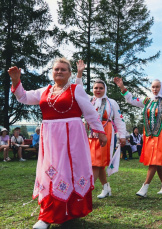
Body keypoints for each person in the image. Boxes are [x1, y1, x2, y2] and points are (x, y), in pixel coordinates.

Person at [8, 57, 107, 229]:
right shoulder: (44, 91)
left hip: (72, 140)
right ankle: (47, 216)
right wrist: (16, 81)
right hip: (51, 140)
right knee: (51, 172)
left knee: (69, 171)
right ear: (52, 72)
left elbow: (90, 112)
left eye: (63, 69)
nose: (59, 71)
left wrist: (100, 132)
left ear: (69, 73)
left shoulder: (76, 90)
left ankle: (70, 212)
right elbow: (23, 97)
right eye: (56, 69)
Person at [114, 77, 162, 197]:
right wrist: (122, 87)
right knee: (156, 160)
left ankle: (145, 187)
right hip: (149, 134)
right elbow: (132, 100)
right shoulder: (148, 101)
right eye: (153, 86)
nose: (155, 89)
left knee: (154, 160)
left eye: (157, 86)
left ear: (161, 87)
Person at [75, 61, 126, 199]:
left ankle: (86, 192)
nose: (98, 90)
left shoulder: (112, 103)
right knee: (97, 163)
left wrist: (122, 136)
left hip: (105, 134)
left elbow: (119, 120)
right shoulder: (89, 100)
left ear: (105, 89)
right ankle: (106, 187)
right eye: (95, 87)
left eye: (101, 88)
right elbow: (78, 89)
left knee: (96, 163)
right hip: (89, 135)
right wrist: (79, 73)